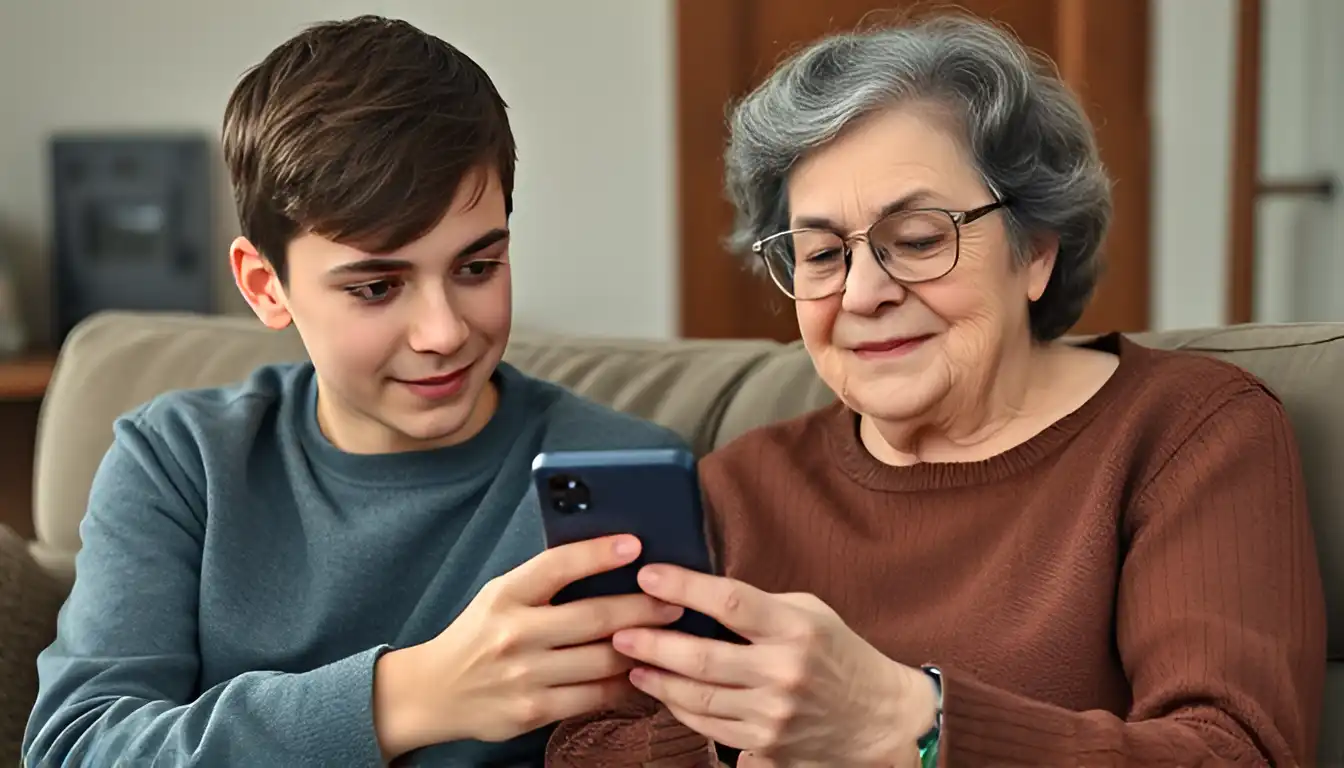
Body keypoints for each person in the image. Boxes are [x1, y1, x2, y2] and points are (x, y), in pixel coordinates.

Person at [548, 13, 1328, 768]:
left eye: (918, 240)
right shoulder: (735, 486)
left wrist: (906, 720)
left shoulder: (1186, 431)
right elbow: (584, 750)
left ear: (1035, 253)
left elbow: (1233, 753)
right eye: (821, 255)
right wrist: (739, 733)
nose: (861, 293)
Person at [22, 15, 690, 768]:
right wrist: (406, 697)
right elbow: (77, 749)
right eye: (377, 286)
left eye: (477, 268)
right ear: (264, 286)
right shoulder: (179, 461)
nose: (442, 331)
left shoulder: (620, 467)